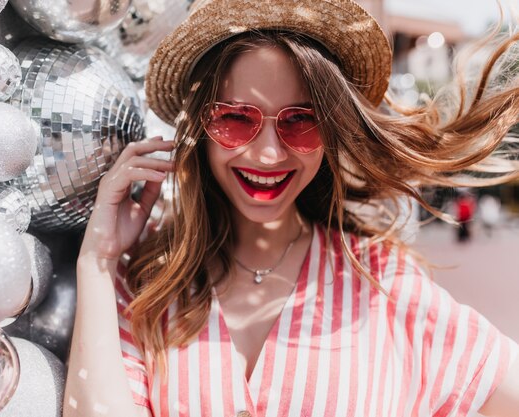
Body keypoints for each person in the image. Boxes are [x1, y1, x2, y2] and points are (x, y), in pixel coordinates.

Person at [64, 0, 519, 415]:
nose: (267, 155)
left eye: (301, 122)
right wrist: (98, 258)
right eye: (235, 118)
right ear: (202, 127)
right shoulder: (148, 282)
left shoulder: (381, 283)